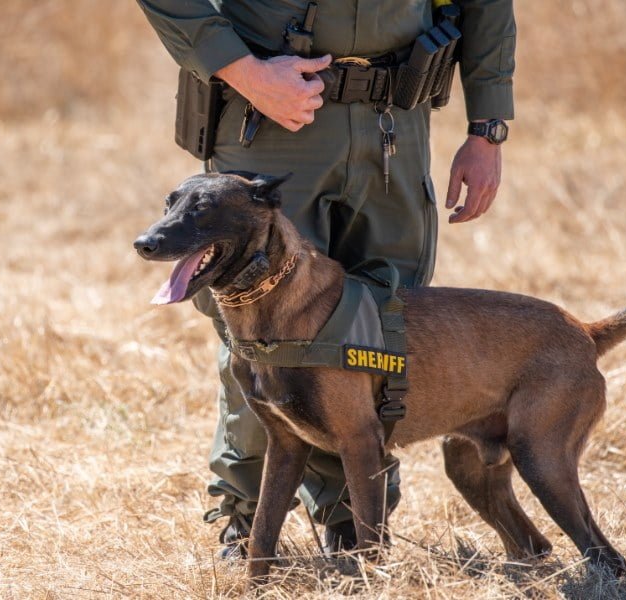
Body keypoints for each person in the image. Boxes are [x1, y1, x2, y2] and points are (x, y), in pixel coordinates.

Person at [136, 0, 515, 557]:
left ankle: (353, 525)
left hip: (396, 123)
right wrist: (243, 70)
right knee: (262, 326)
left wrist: (487, 128)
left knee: (380, 331)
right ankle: (247, 523)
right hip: (272, 117)